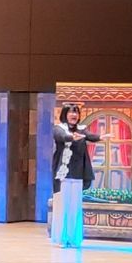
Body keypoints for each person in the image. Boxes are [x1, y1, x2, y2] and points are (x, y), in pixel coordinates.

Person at [51, 103, 111, 248]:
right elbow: (61, 137)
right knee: (63, 207)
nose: (74, 115)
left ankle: (74, 239)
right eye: (71, 112)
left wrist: (100, 137)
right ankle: (61, 239)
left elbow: (89, 136)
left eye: (76, 112)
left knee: (75, 208)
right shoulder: (59, 128)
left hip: (78, 174)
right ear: (65, 114)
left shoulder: (82, 129)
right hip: (64, 174)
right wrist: (72, 137)